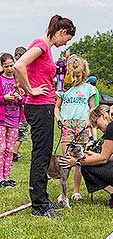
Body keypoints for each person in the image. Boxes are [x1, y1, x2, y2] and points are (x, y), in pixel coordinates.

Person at [14, 14, 76, 218]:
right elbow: (18, 65)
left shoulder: (46, 48)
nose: (64, 44)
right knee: (41, 155)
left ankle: (42, 199)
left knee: (44, 153)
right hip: (39, 106)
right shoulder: (41, 44)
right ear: (61, 32)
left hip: (44, 106)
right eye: (66, 39)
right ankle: (39, 206)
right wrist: (30, 89)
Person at [55, 55, 96, 201]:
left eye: (79, 75)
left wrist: (88, 120)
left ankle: (76, 191)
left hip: (81, 125)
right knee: (65, 160)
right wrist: (58, 117)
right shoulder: (63, 89)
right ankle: (63, 193)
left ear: (84, 73)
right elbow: (57, 107)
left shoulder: (89, 89)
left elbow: (92, 107)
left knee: (78, 160)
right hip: (67, 124)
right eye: (73, 75)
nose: (76, 78)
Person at [0, 53, 25, 188]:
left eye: (11, 65)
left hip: (14, 119)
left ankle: (7, 176)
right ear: (2, 66)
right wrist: (4, 98)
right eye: (6, 66)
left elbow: (26, 97)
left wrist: (21, 99)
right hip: (2, 119)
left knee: (10, 149)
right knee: (1, 148)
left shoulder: (18, 80)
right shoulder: (0, 79)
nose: (9, 68)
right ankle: (0, 178)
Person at [12, 46, 28, 162]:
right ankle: (14, 153)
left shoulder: (10, 74)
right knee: (21, 134)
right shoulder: (25, 74)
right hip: (22, 112)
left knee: (14, 132)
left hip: (12, 111)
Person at [87, 75, 99, 141]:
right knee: (94, 125)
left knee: (88, 123)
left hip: (91, 109)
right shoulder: (96, 89)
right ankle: (95, 139)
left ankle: (90, 136)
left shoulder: (91, 89)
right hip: (96, 109)